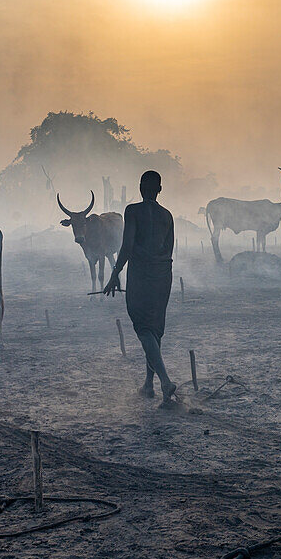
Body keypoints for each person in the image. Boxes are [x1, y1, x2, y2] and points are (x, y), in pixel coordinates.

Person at [104, 170, 176, 400]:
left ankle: (164, 381)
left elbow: (126, 246)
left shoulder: (132, 211)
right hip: (163, 276)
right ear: (160, 189)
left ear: (140, 188)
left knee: (143, 328)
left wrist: (115, 273)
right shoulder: (167, 215)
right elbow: (169, 250)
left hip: (141, 275)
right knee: (155, 330)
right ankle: (148, 384)